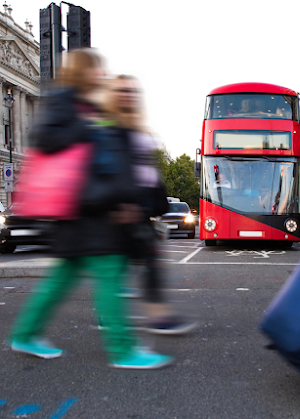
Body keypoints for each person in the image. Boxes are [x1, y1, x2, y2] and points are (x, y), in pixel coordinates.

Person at [8, 49, 172, 369]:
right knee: (109, 274)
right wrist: (87, 127)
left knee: (63, 278)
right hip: (85, 208)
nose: (102, 74)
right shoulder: (67, 101)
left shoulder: (85, 104)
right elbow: (45, 139)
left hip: (80, 208)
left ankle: (26, 334)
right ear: (85, 71)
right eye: (98, 69)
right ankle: (124, 351)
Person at [104, 74, 197, 334]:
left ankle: (114, 313)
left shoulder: (138, 131)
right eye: (122, 90)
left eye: (132, 91)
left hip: (139, 209)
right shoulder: (108, 129)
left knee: (135, 261)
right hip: (119, 210)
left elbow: (148, 171)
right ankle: (156, 316)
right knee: (134, 262)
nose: (127, 95)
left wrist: (157, 202)